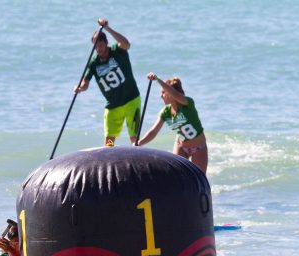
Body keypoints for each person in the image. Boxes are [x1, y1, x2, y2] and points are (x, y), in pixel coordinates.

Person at [74, 18, 141, 147]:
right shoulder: (93, 62)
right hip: (113, 106)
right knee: (109, 143)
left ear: (106, 43)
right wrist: (80, 89)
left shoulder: (118, 50)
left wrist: (107, 28)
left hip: (131, 100)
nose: (98, 49)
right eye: (95, 46)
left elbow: (127, 44)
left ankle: (138, 164)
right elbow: (85, 82)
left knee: (134, 139)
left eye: (100, 45)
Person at [136, 73, 208, 174]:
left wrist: (158, 80)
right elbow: (154, 131)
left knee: (200, 179)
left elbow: (176, 95)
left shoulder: (187, 103)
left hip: (199, 147)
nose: (161, 96)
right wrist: (139, 143)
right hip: (181, 146)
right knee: (177, 175)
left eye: (163, 92)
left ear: (171, 93)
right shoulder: (165, 112)